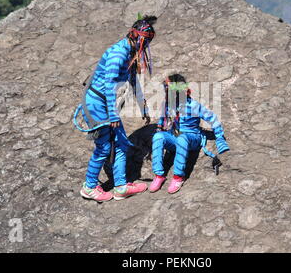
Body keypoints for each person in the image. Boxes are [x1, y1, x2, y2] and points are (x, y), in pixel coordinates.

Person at [75, 15, 157, 202]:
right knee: (104, 147)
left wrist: (142, 106)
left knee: (121, 143)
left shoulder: (130, 52)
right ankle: (89, 187)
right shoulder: (118, 54)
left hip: (105, 104)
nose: (146, 47)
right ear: (137, 37)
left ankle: (120, 186)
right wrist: (113, 115)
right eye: (146, 41)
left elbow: (132, 80)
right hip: (97, 104)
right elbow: (108, 85)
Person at [149, 73, 230, 194]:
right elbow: (162, 121)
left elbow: (213, 118)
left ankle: (178, 176)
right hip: (174, 136)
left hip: (192, 138)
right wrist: (160, 129)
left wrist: (219, 138)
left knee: (182, 139)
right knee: (157, 137)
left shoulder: (194, 106)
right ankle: (158, 175)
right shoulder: (167, 105)